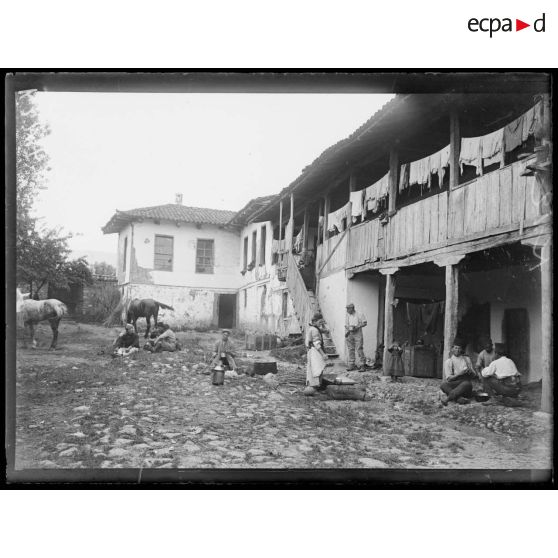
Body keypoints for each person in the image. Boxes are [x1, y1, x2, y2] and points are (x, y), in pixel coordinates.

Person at [305, 312, 329, 391]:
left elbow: (320, 330)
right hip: (315, 351)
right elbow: (316, 343)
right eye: (320, 322)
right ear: (315, 321)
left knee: (314, 368)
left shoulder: (313, 328)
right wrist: (323, 354)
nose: (321, 324)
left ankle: (315, 385)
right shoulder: (314, 330)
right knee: (318, 368)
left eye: (322, 322)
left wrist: (324, 330)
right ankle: (317, 386)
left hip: (311, 350)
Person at [345, 303, 367, 371]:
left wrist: (357, 327)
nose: (347, 310)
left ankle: (362, 365)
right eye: (346, 308)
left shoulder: (359, 314)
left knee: (359, 349)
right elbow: (346, 325)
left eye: (348, 308)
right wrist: (348, 331)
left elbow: (365, 323)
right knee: (350, 349)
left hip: (357, 333)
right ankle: (351, 365)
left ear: (352, 308)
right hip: (350, 333)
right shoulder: (348, 315)